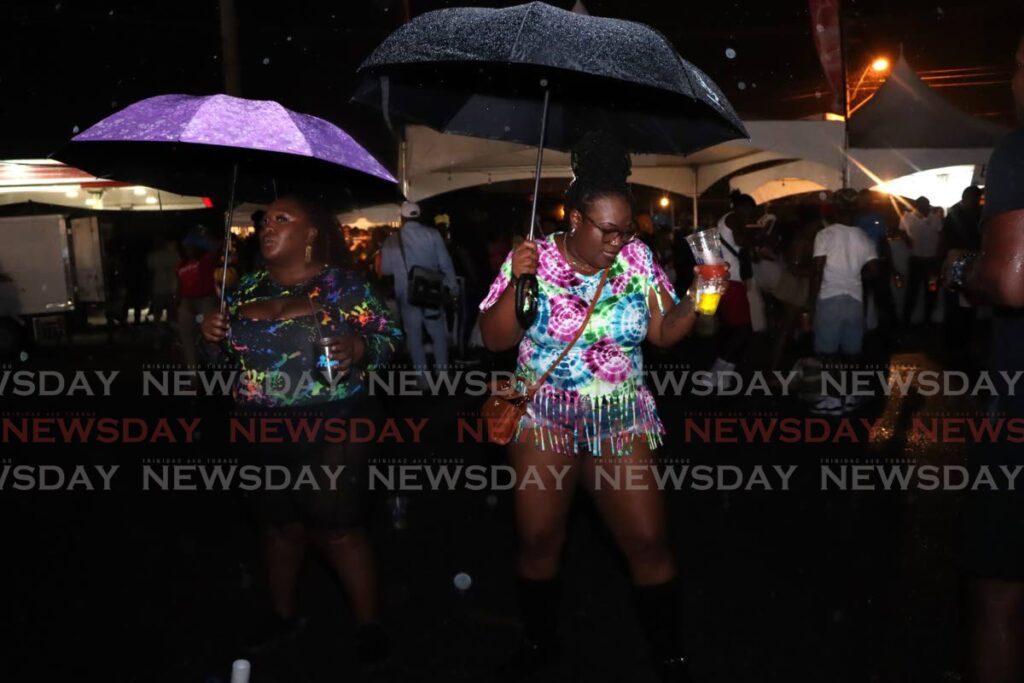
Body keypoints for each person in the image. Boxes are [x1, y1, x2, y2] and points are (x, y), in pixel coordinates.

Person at [478, 132, 701, 682]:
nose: (618, 241)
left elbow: (664, 333)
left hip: (619, 416)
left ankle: (669, 656)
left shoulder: (637, 259)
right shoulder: (530, 257)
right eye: (607, 229)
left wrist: (700, 296)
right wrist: (520, 281)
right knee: (537, 540)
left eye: (626, 230)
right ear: (573, 218)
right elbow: (494, 340)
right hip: (544, 419)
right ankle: (539, 644)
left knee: (648, 540)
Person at [200, 194, 402, 664]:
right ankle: (283, 614)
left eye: (282, 219)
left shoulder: (344, 287)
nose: (268, 227)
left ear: (311, 234)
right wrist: (210, 340)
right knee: (277, 527)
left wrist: (359, 347)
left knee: (336, 528)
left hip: (335, 422)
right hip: (258, 426)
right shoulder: (243, 290)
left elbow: (389, 340)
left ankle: (369, 624)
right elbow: (219, 370)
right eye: (265, 220)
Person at [949, 32, 1024, 683]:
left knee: (999, 586)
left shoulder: (1019, 151)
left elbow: (1012, 279)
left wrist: (965, 270)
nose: (1013, 81)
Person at [808, 189, 880, 415]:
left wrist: (811, 304)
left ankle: (832, 400)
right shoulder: (864, 237)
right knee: (852, 353)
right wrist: (853, 276)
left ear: (835, 209)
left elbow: (817, 271)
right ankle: (850, 396)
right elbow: (874, 271)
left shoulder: (825, 235)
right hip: (855, 300)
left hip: (829, 298)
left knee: (827, 354)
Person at [379, 201, 458, 371]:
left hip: (407, 294)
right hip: (432, 292)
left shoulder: (393, 240)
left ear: (402, 217)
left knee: (414, 336)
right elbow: (445, 262)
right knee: (437, 333)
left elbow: (385, 270)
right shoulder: (433, 234)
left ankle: (422, 376)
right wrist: (452, 287)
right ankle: (442, 371)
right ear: (419, 215)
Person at [767, 205, 820, 371]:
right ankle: (773, 368)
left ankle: (788, 367)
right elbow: (794, 268)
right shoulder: (802, 239)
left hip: (800, 286)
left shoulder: (806, 237)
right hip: (796, 287)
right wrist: (814, 270)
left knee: (796, 328)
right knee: (787, 329)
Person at [711, 192, 757, 377]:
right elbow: (741, 240)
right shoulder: (735, 217)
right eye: (750, 211)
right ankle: (716, 371)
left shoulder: (725, 219)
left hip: (727, 277)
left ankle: (724, 374)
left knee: (735, 329)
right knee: (743, 329)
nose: (750, 216)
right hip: (732, 280)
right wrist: (759, 237)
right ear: (744, 207)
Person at [939, 186, 983, 351]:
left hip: (966, 259)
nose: (977, 202)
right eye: (975, 198)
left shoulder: (972, 213)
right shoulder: (957, 214)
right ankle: (955, 340)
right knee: (956, 298)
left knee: (967, 299)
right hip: (960, 259)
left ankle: (961, 339)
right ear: (966, 197)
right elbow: (945, 240)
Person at [175, 225, 218, 368]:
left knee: (210, 341)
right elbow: (180, 283)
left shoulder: (207, 259)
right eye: (186, 246)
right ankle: (194, 380)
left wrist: (203, 233)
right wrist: (178, 300)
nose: (187, 249)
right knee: (187, 342)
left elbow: (216, 246)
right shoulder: (182, 263)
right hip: (187, 303)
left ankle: (216, 372)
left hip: (205, 301)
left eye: (190, 246)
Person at [898, 196, 942, 325]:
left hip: (931, 261)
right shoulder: (907, 217)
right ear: (917, 205)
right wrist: (907, 241)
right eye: (923, 205)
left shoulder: (935, 218)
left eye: (926, 204)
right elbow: (901, 231)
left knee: (931, 291)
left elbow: (941, 235)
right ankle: (906, 321)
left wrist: (939, 256)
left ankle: (927, 319)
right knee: (912, 292)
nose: (925, 207)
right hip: (916, 260)